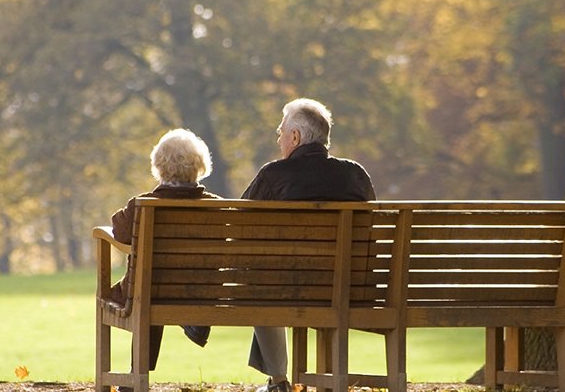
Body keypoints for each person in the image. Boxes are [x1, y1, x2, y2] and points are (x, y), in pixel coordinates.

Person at [241, 98, 376, 392]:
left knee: (257, 276)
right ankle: (289, 378)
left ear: (295, 137)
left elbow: (237, 225)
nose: (278, 139)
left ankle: (278, 380)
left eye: (281, 131)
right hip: (353, 288)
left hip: (286, 289)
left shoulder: (273, 175)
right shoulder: (356, 174)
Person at [109, 128, 220, 375]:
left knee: (145, 285)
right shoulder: (216, 207)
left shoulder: (143, 205)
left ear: (159, 166)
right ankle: (193, 320)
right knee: (154, 282)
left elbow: (120, 231)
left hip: (149, 292)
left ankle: (138, 373)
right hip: (198, 293)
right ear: (200, 165)